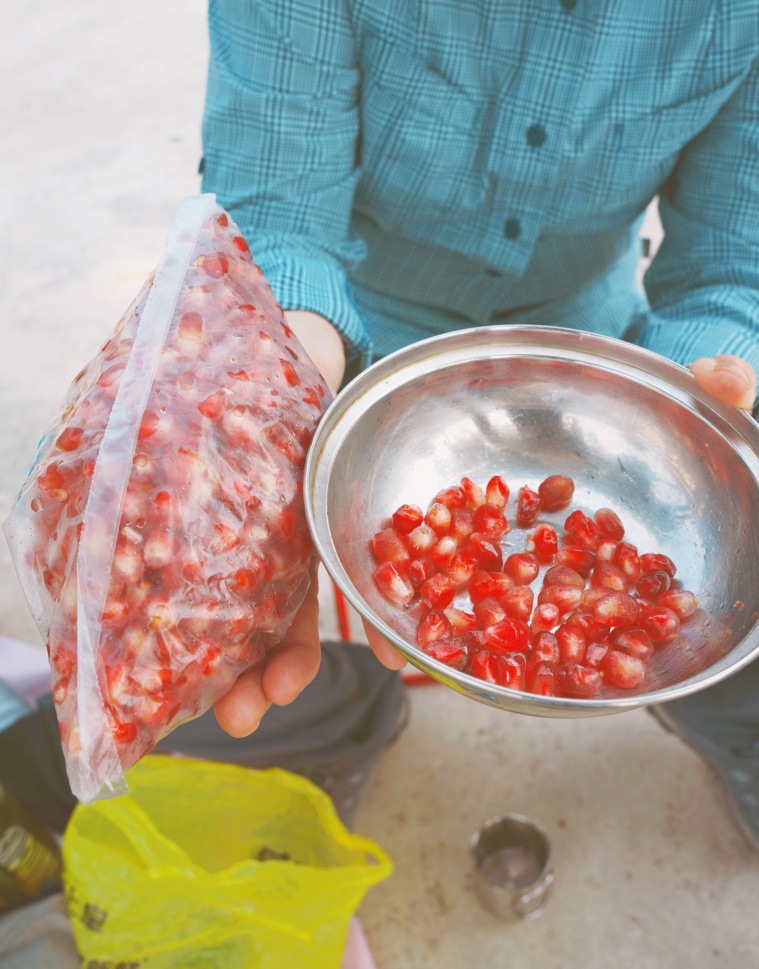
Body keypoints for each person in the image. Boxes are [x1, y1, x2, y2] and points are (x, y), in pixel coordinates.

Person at [200, 1, 759, 845]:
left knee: (731, 568)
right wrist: (285, 369)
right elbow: (276, 211)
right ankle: (329, 736)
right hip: (353, 331)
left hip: (586, 342)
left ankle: (738, 727)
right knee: (250, 596)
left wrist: (703, 384)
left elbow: (733, 265)